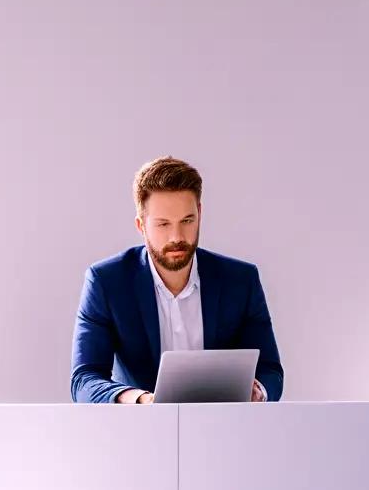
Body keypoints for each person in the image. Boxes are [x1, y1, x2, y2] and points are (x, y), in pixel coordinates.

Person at [70, 156, 283, 404]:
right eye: (163, 224)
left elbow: (270, 371)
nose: (177, 237)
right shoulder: (106, 282)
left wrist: (257, 391)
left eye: (187, 221)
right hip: (140, 431)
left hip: (225, 430)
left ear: (200, 214)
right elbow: (84, 379)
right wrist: (140, 400)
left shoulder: (241, 281)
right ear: (141, 225)